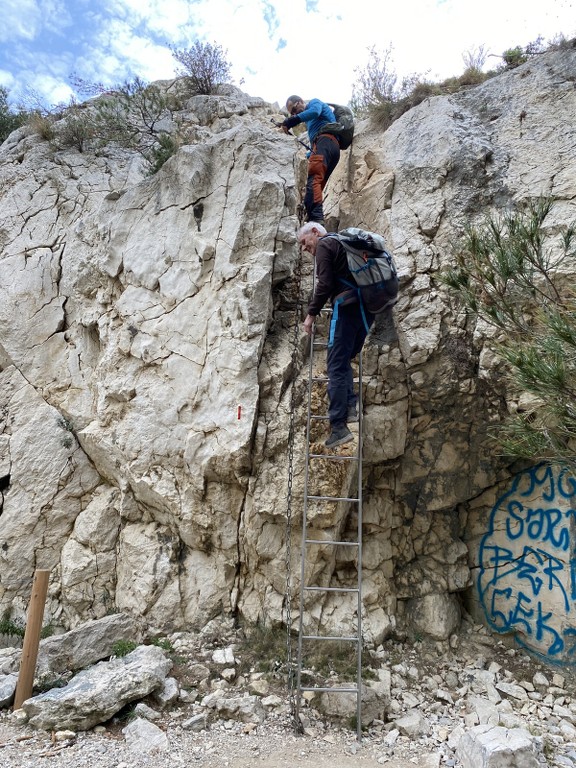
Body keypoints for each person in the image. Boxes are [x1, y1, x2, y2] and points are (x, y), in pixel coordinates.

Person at [297, 222, 375, 448]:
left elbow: (325, 284)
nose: (304, 248)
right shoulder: (343, 244)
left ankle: (339, 427)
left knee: (335, 366)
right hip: (366, 310)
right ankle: (351, 405)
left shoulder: (325, 244)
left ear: (315, 232)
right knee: (344, 360)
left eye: (304, 242)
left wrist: (310, 315)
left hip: (347, 306)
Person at [281, 96, 341, 224]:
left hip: (325, 142)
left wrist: (292, 120)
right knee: (316, 184)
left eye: (294, 109)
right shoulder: (310, 123)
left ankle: (317, 219)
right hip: (329, 147)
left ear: (301, 101)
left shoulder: (315, 102)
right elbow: (316, 146)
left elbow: (315, 112)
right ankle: (312, 215)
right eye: (291, 113)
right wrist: (308, 155)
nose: (294, 113)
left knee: (314, 178)